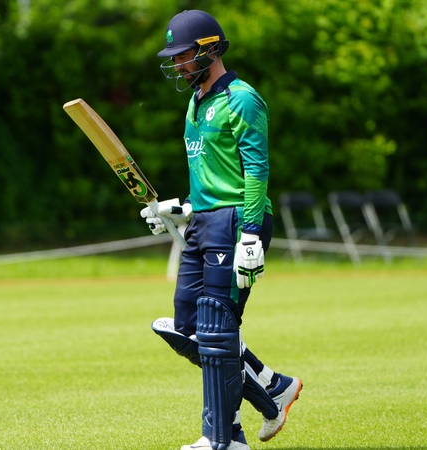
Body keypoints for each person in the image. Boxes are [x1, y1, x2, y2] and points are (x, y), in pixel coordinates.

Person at [141, 10, 302, 450]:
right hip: (205, 222)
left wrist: (250, 233)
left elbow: (255, 171)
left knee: (215, 330)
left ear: (210, 49)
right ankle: (272, 388)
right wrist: (179, 208)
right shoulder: (195, 102)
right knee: (188, 328)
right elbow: (211, 177)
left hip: (237, 222)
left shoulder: (243, 98)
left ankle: (223, 438)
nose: (177, 65)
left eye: (184, 56)